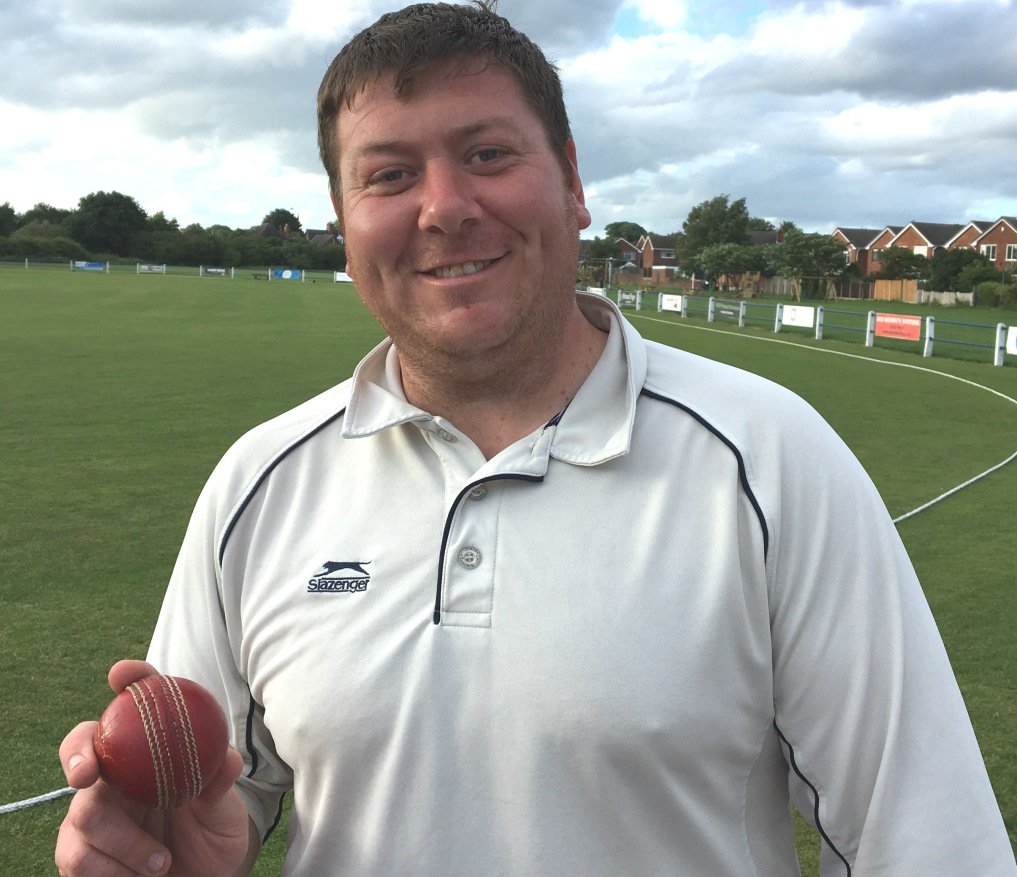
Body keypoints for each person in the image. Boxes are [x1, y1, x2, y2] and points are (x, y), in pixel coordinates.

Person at [56, 3, 1016, 875]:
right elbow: (206, 797)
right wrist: (178, 853)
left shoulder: (767, 459)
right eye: (389, 175)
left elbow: (925, 842)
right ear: (343, 225)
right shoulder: (255, 485)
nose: (443, 207)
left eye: (486, 155)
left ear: (572, 184)